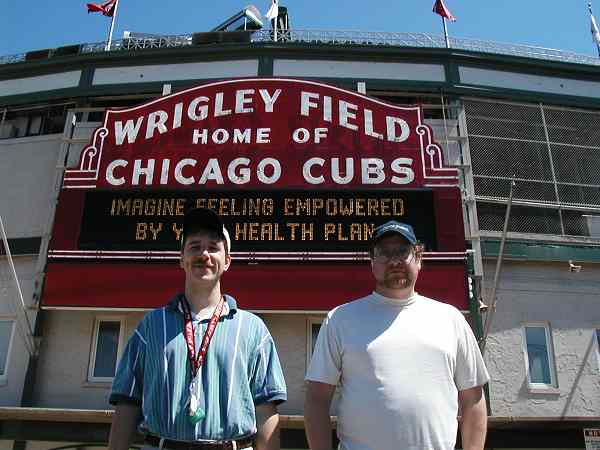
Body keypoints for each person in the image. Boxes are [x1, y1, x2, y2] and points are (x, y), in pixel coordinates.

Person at [108, 207, 287, 450]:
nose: (204, 254)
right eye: (194, 247)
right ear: (181, 259)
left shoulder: (254, 330)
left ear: (227, 261)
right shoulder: (150, 327)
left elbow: (266, 409)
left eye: (213, 247)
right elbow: (127, 404)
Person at [304, 220, 489, 450]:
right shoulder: (340, 320)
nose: (394, 261)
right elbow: (317, 399)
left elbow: (473, 400)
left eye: (403, 251)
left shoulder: (451, 320)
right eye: (384, 253)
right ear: (372, 262)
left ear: (419, 258)